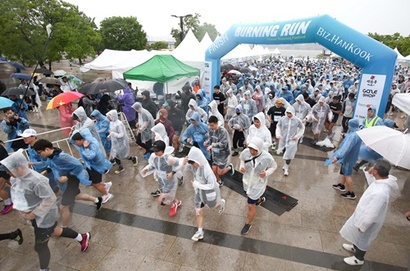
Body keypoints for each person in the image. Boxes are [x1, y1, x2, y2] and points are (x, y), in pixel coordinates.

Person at [1, 149, 91, 271]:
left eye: (9, 170)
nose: (7, 173)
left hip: (43, 217)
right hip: (34, 216)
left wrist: (34, 213)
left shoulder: (37, 181)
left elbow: (50, 198)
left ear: (19, 168)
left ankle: (44, 269)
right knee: (54, 231)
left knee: (40, 247)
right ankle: (82, 237)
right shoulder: (17, 178)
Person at [339, 160, 398, 265]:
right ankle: (355, 247)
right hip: (363, 214)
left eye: (373, 167)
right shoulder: (381, 181)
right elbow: (372, 182)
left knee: (363, 238)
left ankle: (359, 258)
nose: (371, 167)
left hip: (368, 220)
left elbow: (373, 212)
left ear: (375, 171)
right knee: (358, 236)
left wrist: (364, 225)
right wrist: (368, 171)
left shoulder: (381, 192)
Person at [185, 146, 226, 241]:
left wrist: (197, 184)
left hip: (209, 192)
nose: (192, 165)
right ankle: (200, 232)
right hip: (198, 193)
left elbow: (212, 185)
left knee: (213, 206)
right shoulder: (194, 166)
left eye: (193, 163)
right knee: (198, 211)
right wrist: (183, 161)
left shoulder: (207, 170)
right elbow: (185, 167)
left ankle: (221, 203)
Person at [239, 137, 277, 235]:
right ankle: (259, 200)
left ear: (259, 149)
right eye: (250, 148)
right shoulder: (245, 152)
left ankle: (248, 223)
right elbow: (242, 159)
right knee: (249, 195)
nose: (251, 151)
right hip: (247, 181)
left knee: (250, 205)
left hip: (258, 183)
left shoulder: (267, 157)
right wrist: (241, 166)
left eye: (254, 150)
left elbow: (274, 166)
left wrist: (266, 173)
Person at [70, 129, 113, 203]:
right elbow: (71, 141)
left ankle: (106, 194)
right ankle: (106, 185)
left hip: (96, 166)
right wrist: (75, 131)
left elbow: (90, 156)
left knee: (96, 184)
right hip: (91, 166)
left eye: (76, 142)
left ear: (81, 140)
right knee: (93, 181)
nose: (75, 144)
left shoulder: (91, 144)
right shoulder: (83, 143)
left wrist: (86, 148)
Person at [141, 140, 182, 217]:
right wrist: (148, 169)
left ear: (162, 150)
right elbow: (154, 166)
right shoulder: (156, 158)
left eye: (157, 151)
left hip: (170, 182)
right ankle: (176, 202)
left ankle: (174, 205)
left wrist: (172, 173)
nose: (155, 153)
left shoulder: (169, 159)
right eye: (154, 151)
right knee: (168, 196)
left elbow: (179, 165)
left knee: (161, 201)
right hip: (161, 181)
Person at [328, 118, 362, 199]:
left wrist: (338, 156)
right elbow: (350, 137)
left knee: (347, 174)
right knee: (344, 172)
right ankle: (342, 185)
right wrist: (344, 135)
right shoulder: (357, 133)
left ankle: (351, 193)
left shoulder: (353, 136)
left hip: (349, 157)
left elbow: (346, 147)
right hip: (351, 156)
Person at [22, 129, 60, 194]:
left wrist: (32, 163)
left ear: (34, 137)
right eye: (23, 137)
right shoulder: (29, 147)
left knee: (54, 188)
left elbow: (46, 162)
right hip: (39, 171)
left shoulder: (40, 147)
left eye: (26, 137)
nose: (24, 139)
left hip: (47, 172)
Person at [276, 106, 305, 176]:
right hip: (283, 139)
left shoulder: (297, 120)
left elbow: (302, 128)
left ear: (293, 113)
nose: (288, 115)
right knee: (284, 152)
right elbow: (278, 126)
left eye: (290, 113)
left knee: (289, 154)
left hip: (292, 140)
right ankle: (285, 164)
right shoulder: (282, 119)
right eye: (287, 113)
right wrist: (278, 134)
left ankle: (286, 168)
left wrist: (297, 136)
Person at [106, 109, 137, 174]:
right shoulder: (111, 123)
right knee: (115, 155)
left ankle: (133, 158)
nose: (109, 118)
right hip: (115, 143)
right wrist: (110, 136)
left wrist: (112, 134)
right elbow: (112, 132)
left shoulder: (119, 124)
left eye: (110, 116)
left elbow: (121, 135)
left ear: (114, 116)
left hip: (121, 142)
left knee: (124, 156)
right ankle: (121, 167)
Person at [206, 116, 234, 187]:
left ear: (216, 123)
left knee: (219, 172)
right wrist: (207, 142)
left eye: (212, 125)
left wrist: (212, 145)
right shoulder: (211, 130)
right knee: (214, 170)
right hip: (215, 154)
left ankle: (229, 167)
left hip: (223, 154)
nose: (211, 127)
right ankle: (219, 181)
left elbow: (223, 144)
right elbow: (210, 139)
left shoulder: (223, 131)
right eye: (210, 125)